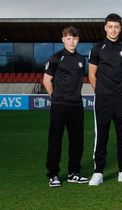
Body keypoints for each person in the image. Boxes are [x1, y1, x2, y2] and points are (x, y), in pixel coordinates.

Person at [88, 13, 122, 185]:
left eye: (116, 27)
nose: (113, 30)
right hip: (103, 99)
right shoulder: (97, 48)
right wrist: (101, 91)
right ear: (105, 27)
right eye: (110, 27)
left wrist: (117, 90)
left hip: (120, 98)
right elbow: (92, 74)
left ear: (120, 28)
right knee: (101, 135)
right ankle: (98, 172)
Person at [43, 26, 88, 187]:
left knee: (77, 141)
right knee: (55, 141)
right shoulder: (55, 58)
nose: (71, 41)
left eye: (74, 38)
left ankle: (74, 173)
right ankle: (53, 174)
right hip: (60, 105)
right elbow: (46, 80)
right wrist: (55, 98)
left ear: (78, 40)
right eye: (68, 38)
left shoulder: (81, 60)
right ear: (63, 39)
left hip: (76, 105)